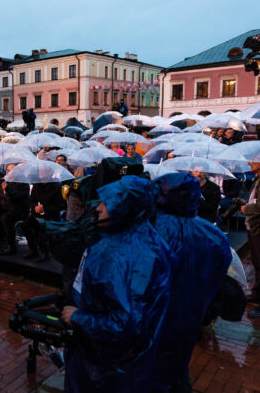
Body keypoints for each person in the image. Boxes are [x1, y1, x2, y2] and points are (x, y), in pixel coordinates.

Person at [61, 175, 171, 393]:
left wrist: (78, 317)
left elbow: (126, 324)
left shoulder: (128, 254)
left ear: (126, 207)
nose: (99, 209)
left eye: (107, 203)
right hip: (107, 359)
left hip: (108, 366)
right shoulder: (132, 238)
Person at [151, 173, 231, 392]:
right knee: (177, 361)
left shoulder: (152, 229)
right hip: (192, 312)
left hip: (153, 315)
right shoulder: (214, 235)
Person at [21, 181, 65, 261]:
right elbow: (31, 201)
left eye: (44, 172)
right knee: (25, 225)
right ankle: (33, 250)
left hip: (51, 215)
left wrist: (44, 209)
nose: (42, 175)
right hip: (37, 214)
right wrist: (35, 208)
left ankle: (45, 253)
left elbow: (60, 206)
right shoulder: (36, 185)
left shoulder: (57, 186)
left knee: (40, 227)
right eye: (41, 172)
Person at [241, 157, 260, 318]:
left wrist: (245, 208)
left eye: (253, 161)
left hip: (258, 229)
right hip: (253, 228)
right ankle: (256, 296)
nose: (249, 163)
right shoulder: (256, 180)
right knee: (257, 264)